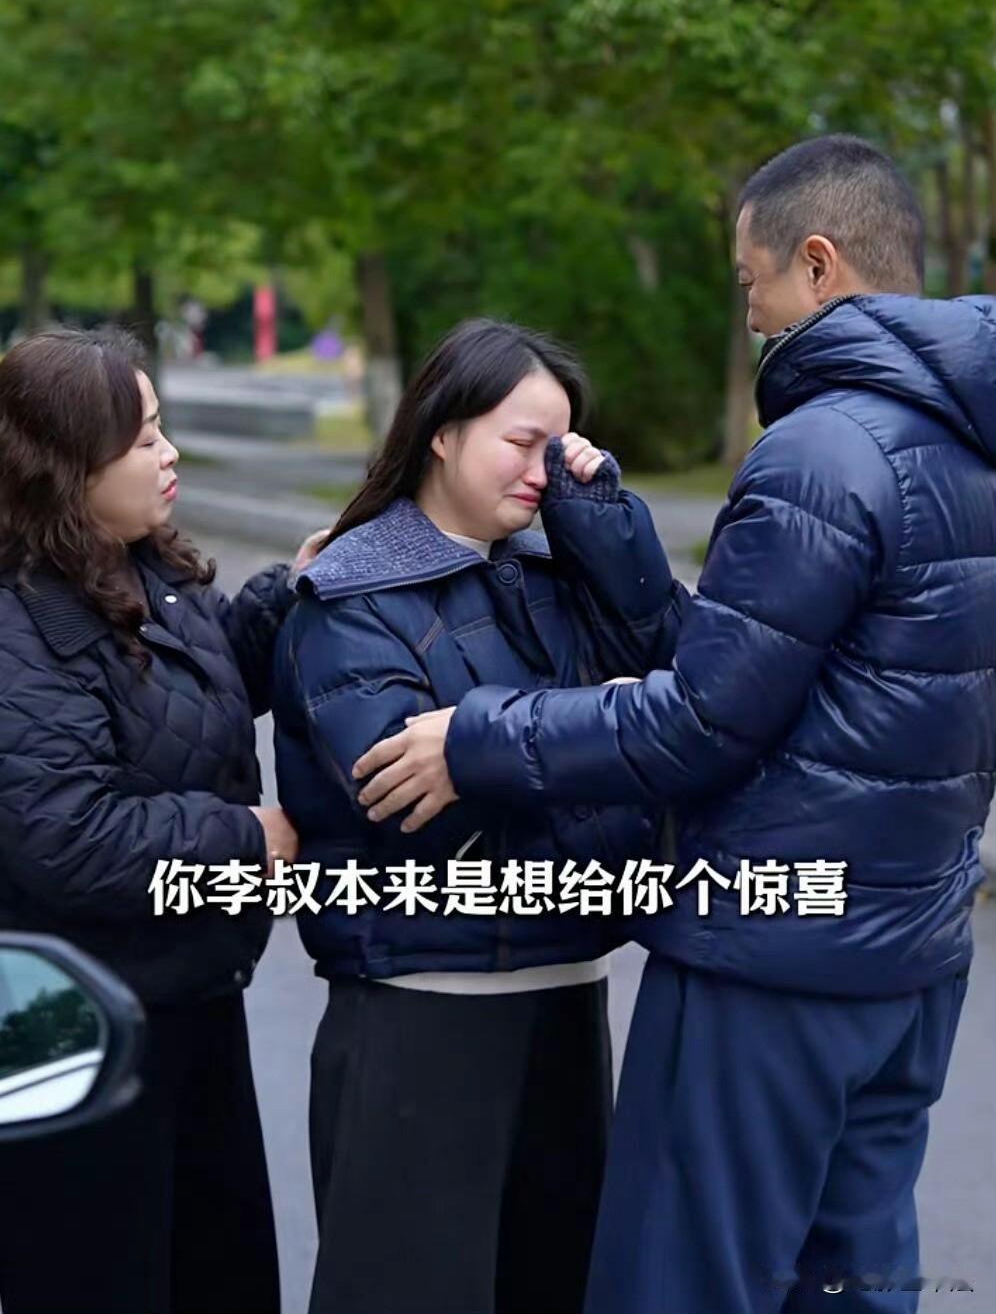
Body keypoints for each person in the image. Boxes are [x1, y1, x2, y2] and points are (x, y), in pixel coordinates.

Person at [353, 136, 996, 1313]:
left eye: (752, 282)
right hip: (911, 955)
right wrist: (619, 543)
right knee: (854, 1280)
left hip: (773, 961)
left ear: (818, 263)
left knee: (683, 1280)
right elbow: (795, 672)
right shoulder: (968, 445)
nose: (748, 313)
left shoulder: (822, 449)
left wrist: (477, 736)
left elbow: (701, 719)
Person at [272, 317, 685, 1314]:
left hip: (568, 990)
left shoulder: (560, 576)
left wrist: (611, 534)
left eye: (560, 447)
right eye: (521, 441)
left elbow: (690, 699)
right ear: (443, 431)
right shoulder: (352, 592)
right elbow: (418, 812)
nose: (543, 471)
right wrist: (613, 749)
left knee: (556, 1286)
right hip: (423, 1005)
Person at [0, 328, 323, 1314]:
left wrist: (294, 591)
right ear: (65, 465)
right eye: (142, 438)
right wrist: (249, 838)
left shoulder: (146, 570)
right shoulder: (18, 624)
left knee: (218, 1272)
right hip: (79, 1035)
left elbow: (187, 700)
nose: (168, 451)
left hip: (190, 996)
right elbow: (68, 833)